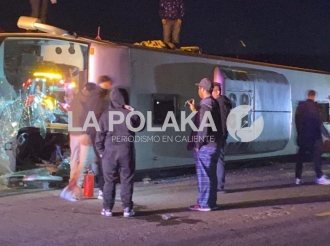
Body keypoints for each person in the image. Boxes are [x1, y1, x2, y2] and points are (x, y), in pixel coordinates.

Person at [60, 77, 111, 202]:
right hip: (85, 134)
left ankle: (73, 190)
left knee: (75, 162)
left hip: (73, 133)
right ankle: (72, 189)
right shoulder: (94, 99)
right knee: (84, 163)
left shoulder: (77, 97)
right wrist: (89, 134)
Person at [95, 88, 144, 217]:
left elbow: (99, 136)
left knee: (109, 181)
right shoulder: (129, 114)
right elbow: (142, 126)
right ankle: (127, 209)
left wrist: (101, 151)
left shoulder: (105, 115)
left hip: (109, 151)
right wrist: (134, 111)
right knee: (127, 179)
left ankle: (107, 209)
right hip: (126, 150)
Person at [186, 78, 222, 211]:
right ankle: (210, 202)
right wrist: (195, 111)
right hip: (214, 144)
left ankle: (204, 204)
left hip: (205, 146)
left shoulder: (205, 104)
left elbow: (204, 127)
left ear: (201, 89)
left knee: (204, 176)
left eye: (199, 88)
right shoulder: (213, 103)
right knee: (211, 175)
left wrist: (197, 144)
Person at [295, 90, 330, 185]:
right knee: (316, 158)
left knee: (300, 158)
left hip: (302, 137)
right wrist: (327, 135)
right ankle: (319, 177)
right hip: (314, 138)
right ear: (314, 96)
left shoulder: (300, 107)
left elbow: (297, 123)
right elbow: (319, 124)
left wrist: (299, 135)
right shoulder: (314, 108)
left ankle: (297, 178)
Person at [212, 82, 232, 193]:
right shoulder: (219, 103)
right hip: (219, 135)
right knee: (217, 160)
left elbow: (223, 121)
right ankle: (218, 185)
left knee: (219, 160)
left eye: (212, 91)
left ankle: (219, 186)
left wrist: (221, 135)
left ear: (218, 92)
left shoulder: (221, 103)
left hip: (219, 136)